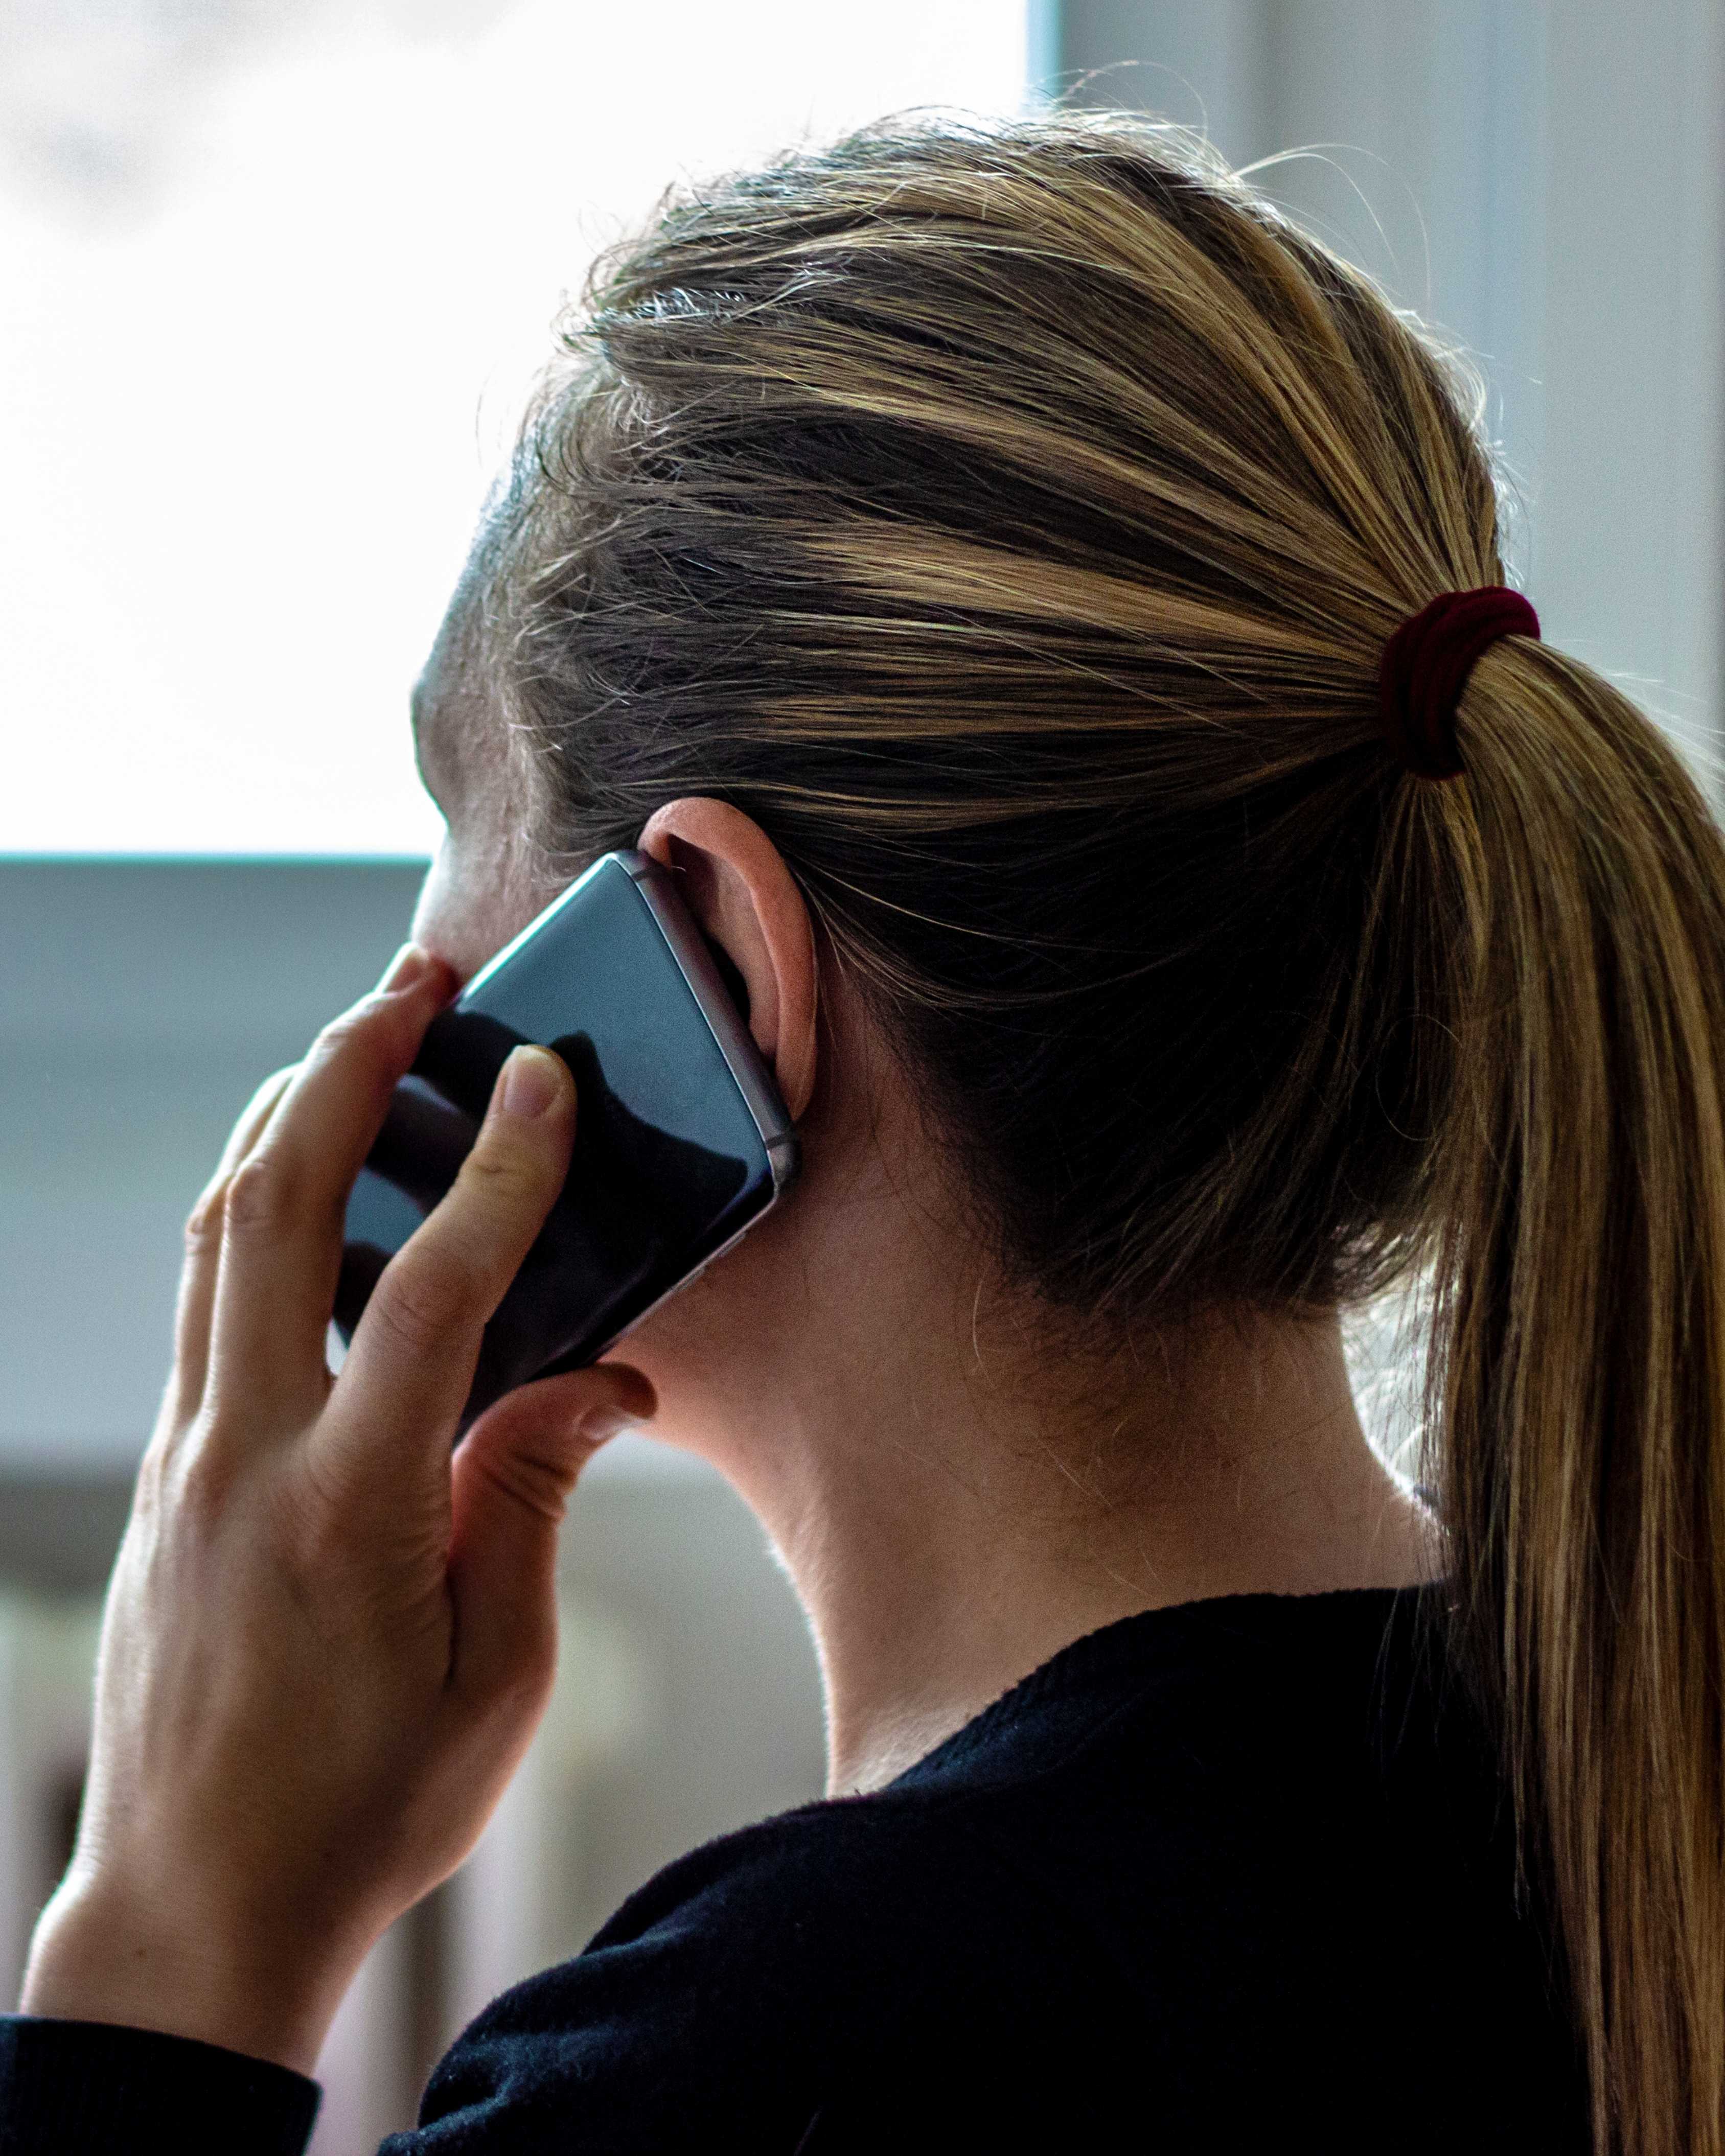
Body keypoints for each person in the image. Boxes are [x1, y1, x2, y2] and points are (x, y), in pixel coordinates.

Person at [1, 109, 1715, 2154]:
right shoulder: (1625, 1809)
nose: (410, 980)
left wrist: (174, 1934)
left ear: (712, 947)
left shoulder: (794, 2054)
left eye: (456, 835)